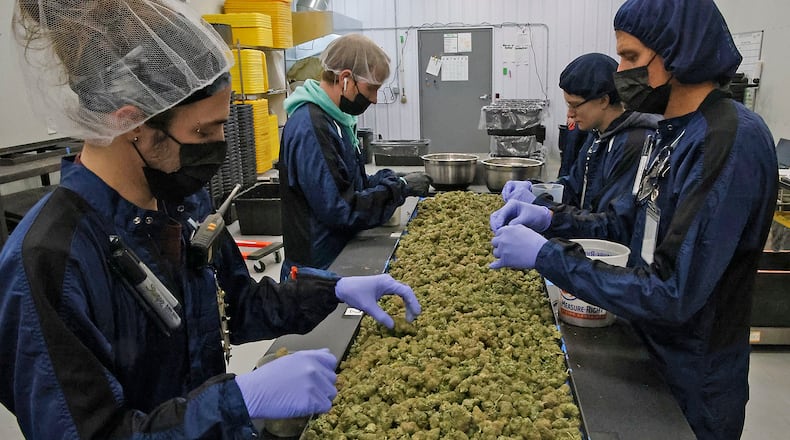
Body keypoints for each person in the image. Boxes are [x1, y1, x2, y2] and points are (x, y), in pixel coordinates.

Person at [0, 1, 421, 439]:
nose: (217, 148)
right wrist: (236, 403)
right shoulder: (49, 262)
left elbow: (238, 305)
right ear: (132, 123)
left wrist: (332, 289)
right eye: (203, 133)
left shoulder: (183, 205)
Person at [489, 0, 777, 438]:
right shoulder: (668, 133)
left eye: (632, 58)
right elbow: (624, 224)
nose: (621, 73)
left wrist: (550, 257)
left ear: (680, 54)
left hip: (693, 372)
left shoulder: (726, 140)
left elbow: (673, 292)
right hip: (644, 339)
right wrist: (548, 217)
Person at [278, 33, 431, 280]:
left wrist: (391, 178)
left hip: (337, 254)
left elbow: (351, 184)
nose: (374, 98)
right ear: (346, 78)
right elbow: (340, 208)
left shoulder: (336, 120)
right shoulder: (311, 128)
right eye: (371, 88)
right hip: (316, 271)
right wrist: (398, 190)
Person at [503, 53, 659, 213]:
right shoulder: (597, 136)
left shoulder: (634, 144)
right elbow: (573, 189)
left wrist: (551, 217)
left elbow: (614, 226)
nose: (569, 114)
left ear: (603, 101)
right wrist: (534, 189)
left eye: (575, 105)